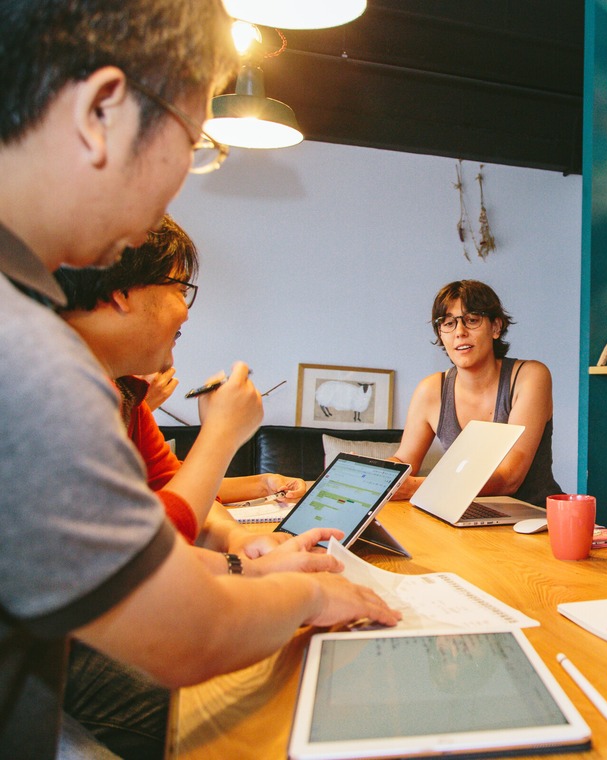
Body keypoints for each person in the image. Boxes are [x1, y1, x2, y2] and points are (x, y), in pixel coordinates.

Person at [0, 3, 399, 757]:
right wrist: (315, 592)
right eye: (195, 139)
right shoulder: (32, 360)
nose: (187, 173)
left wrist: (248, 564)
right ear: (102, 112)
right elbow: (189, 636)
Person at [56, 214, 312, 561]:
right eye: (179, 290)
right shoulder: (55, 393)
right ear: (121, 295)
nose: (186, 313)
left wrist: (235, 538)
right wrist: (221, 434)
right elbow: (131, 552)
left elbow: (173, 490)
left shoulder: (127, 395)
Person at [391, 280, 562, 505]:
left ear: (496, 327)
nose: (460, 332)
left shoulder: (530, 376)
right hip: (462, 518)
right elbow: (404, 460)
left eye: (472, 320)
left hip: (532, 520)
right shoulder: (431, 390)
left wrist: (418, 487)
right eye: (448, 323)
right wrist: (378, 474)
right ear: (440, 333)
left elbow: (509, 478)